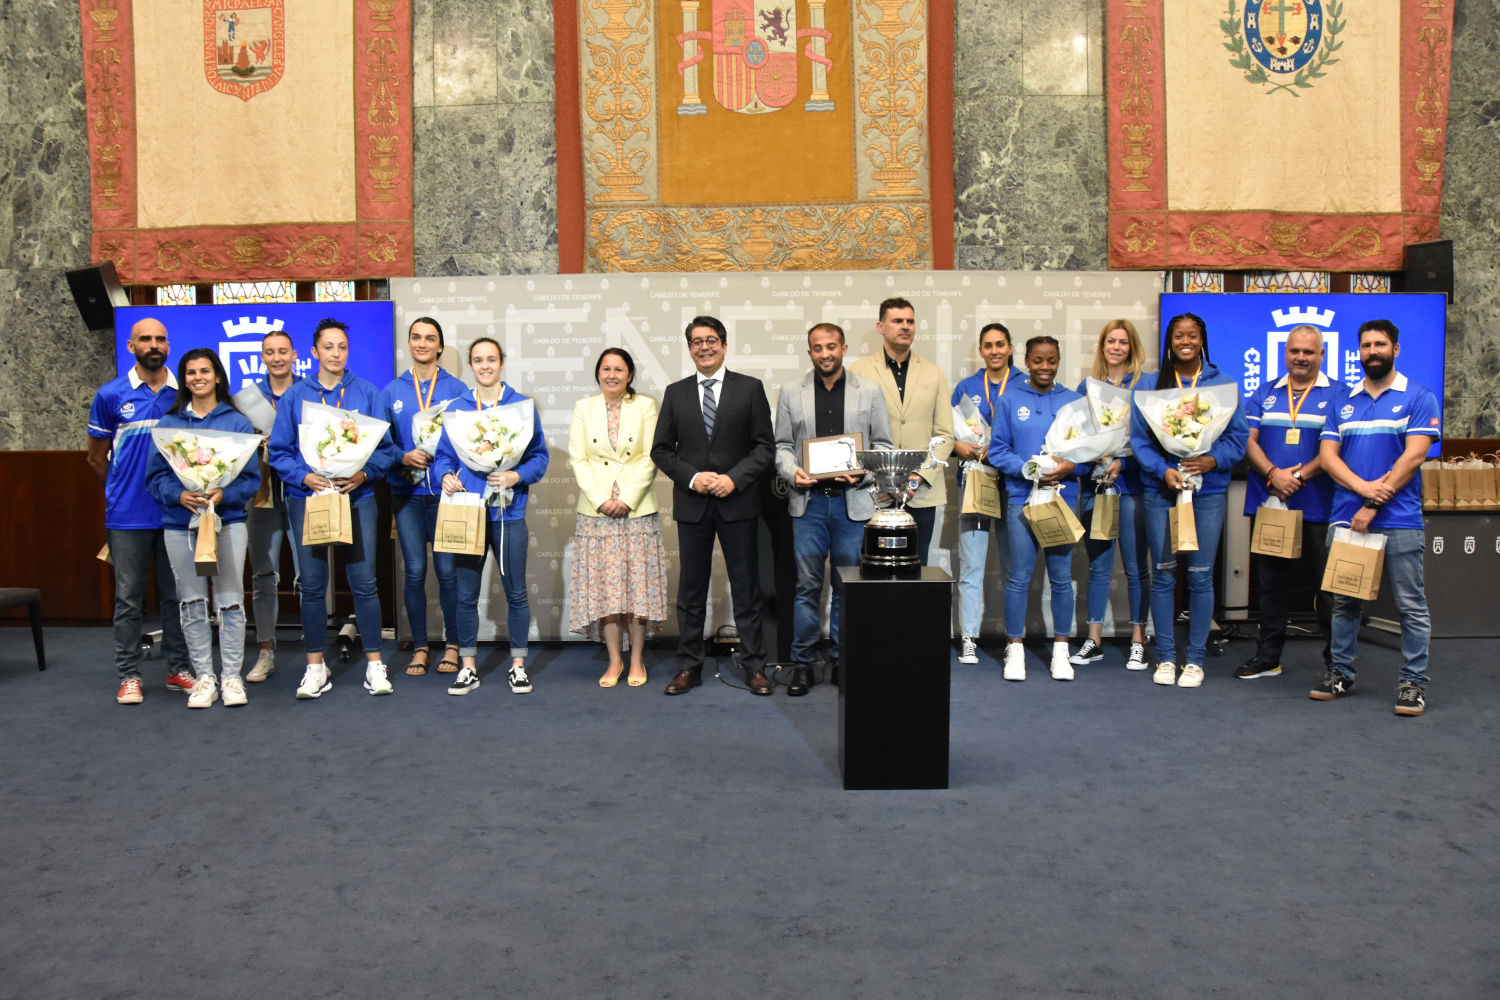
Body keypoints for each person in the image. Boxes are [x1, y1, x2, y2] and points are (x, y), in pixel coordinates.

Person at [268, 318, 400, 699]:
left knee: (364, 583)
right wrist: (302, 477)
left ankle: (375, 663)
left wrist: (363, 475)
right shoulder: (296, 396)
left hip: (356, 498)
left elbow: (386, 450)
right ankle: (315, 667)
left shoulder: (366, 392)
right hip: (308, 498)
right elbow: (279, 451)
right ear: (314, 352)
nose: (336, 353)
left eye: (342, 347)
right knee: (311, 585)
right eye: (328, 347)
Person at [1314, 319, 1439, 716]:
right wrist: (1363, 490)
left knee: (1410, 606)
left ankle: (1413, 684)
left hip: (1399, 519)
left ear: (1396, 349)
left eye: (1380, 344)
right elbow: (1330, 458)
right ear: (1359, 352)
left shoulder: (1419, 396)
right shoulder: (1342, 402)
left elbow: (1414, 456)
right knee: (1344, 604)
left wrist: (1373, 502)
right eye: (1366, 345)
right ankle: (1341, 674)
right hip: (1346, 520)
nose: (1373, 351)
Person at [650, 315, 776, 696]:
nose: (704, 347)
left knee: (746, 589)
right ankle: (688, 667)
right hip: (692, 505)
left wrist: (733, 478)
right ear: (689, 348)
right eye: (696, 341)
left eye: (711, 340)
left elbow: (764, 447)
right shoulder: (675, 393)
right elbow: (660, 450)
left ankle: (755, 667)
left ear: (724, 345)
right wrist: (693, 477)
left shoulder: (750, 389)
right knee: (691, 592)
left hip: (738, 503)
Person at [1129, 312, 1249, 689]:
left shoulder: (1222, 384)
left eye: (1192, 336)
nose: (1185, 341)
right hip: (1162, 492)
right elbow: (1140, 441)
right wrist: (1161, 469)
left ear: (1202, 340)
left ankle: (1194, 660)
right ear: (1170, 340)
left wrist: (1212, 460)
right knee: (1163, 575)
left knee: (1200, 577)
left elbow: (1238, 438)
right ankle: (1166, 657)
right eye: (1179, 335)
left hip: (1207, 493)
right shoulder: (1151, 385)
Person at [773, 322, 894, 696]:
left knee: (848, 588)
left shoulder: (869, 392)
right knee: (806, 587)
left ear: (843, 348)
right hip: (808, 506)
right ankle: (803, 665)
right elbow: (780, 447)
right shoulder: (792, 392)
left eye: (831, 346)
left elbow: (885, 447)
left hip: (852, 506)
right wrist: (794, 473)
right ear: (809, 352)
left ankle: (845, 662)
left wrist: (862, 475)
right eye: (817, 348)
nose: (824, 353)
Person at [87, 317, 196, 705]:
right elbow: (96, 458)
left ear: (169, 346)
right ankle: (129, 674)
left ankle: (178, 669)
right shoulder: (110, 395)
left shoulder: (182, 394)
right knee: (129, 598)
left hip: (174, 514)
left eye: (161, 339)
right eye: (145, 339)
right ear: (131, 346)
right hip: (127, 517)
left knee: (176, 597)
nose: (154, 344)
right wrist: (122, 491)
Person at [145, 349, 261, 708]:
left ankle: (230, 677)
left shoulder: (237, 423)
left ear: (218, 377)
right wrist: (178, 494)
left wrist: (224, 492)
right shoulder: (169, 424)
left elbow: (252, 480)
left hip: (228, 523)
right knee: (192, 601)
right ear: (185, 379)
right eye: (191, 372)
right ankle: (204, 678)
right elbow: (155, 477)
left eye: (205, 371)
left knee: (230, 600)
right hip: (180, 525)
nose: (198, 377)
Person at [436, 337, 549, 697]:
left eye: (491, 359)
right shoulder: (457, 408)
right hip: (468, 509)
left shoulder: (521, 407)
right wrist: (445, 475)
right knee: (466, 594)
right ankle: (468, 667)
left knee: (516, 592)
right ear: (471, 366)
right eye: (478, 360)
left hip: (509, 511)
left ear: (501, 363)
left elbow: (539, 457)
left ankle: (518, 666)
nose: (485, 366)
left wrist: (517, 476)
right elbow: (442, 455)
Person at [1238, 324, 1336, 679]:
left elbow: (1335, 450)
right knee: (1271, 586)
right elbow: (1247, 441)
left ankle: (1335, 664)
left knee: (1327, 590)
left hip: (1320, 506)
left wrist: (1298, 476)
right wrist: (1273, 474)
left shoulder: (1338, 395)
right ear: (1285, 353)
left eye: (1309, 352)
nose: (1301, 358)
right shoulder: (1264, 393)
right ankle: (1268, 658)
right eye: (1295, 351)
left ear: (1321, 355)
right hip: (1273, 503)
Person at [567, 347, 668, 688]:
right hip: (596, 514)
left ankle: (637, 659)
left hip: (636, 510)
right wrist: (601, 500)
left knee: (635, 592)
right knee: (608, 593)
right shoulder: (584, 408)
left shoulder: (646, 406)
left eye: (619, 369)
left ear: (629, 375)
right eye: (606, 368)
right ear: (598, 373)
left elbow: (650, 456)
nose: (612, 374)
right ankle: (614, 661)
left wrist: (625, 499)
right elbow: (578, 458)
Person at [989, 336, 1086, 682]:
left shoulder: (1074, 401)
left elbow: (1087, 457)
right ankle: (1015, 650)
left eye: (1052, 361)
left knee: (1061, 578)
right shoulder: (1010, 399)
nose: (1045, 367)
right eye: (1038, 361)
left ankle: (1061, 651)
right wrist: (1027, 470)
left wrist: (1070, 468)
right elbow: (997, 450)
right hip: (1020, 497)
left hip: (1061, 497)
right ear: (1026, 361)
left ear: (1059, 361)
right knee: (1018, 578)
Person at [381, 317, 467, 677]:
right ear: (409, 343)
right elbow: (378, 444)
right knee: (415, 572)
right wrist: (402, 456)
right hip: (407, 493)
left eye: (430, 338)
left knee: (448, 572)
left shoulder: (458, 388)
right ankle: (419, 646)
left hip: (445, 495)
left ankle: (452, 644)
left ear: (440, 346)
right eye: (416, 337)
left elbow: (469, 441)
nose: (422, 343)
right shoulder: (392, 391)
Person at [848, 297, 954, 564]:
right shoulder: (858, 372)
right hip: (873, 494)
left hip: (921, 494)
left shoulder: (934, 373)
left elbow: (944, 435)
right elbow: (853, 436)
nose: (905, 327)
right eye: (898, 321)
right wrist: (883, 482)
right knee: (872, 572)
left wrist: (915, 479)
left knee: (917, 571)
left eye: (910, 321)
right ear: (881, 327)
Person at [1072, 319, 1152, 671]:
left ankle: (1138, 639)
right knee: (1098, 568)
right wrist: (1101, 456)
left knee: (1136, 568)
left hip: (1132, 487)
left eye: (1123, 342)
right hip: (1096, 487)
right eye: (1111, 341)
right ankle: (1094, 640)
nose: (1117, 347)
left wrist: (1123, 460)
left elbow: (1153, 438)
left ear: (1132, 348)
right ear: (1102, 346)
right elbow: (1074, 434)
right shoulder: (1086, 387)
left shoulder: (1146, 386)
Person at [951, 322, 1023, 664]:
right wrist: (957, 446)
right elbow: (946, 434)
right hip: (976, 483)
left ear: (1010, 348)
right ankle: (968, 635)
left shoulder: (1025, 384)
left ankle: (1014, 640)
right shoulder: (966, 388)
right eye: (988, 345)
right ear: (980, 351)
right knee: (971, 565)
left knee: (1014, 567)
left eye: (1000, 344)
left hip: (1015, 486)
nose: (994, 350)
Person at [244, 330, 300, 684]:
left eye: (283, 351)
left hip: (300, 491)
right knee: (263, 574)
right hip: (261, 494)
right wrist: (256, 443)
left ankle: (316, 658)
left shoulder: (308, 393)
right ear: (262, 357)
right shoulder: (245, 400)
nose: (277, 357)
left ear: (295, 355)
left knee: (311, 576)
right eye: (270, 352)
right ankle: (265, 650)